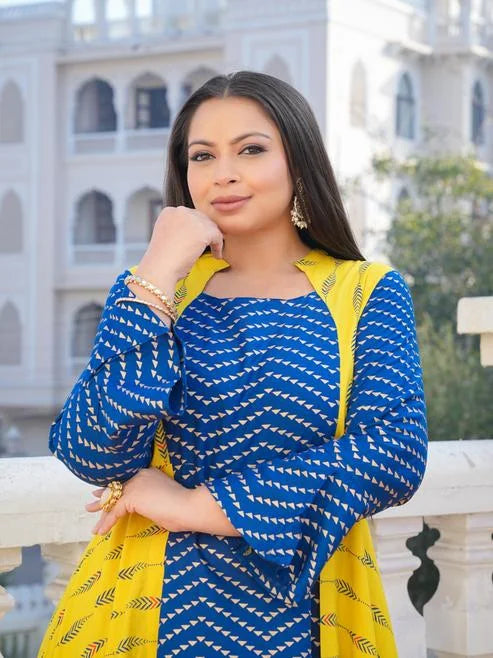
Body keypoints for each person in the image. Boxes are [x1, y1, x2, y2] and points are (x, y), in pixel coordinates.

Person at [38, 70, 427, 657]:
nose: (223, 173)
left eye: (250, 150)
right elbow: (92, 451)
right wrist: (157, 272)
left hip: (309, 615)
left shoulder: (365, 293)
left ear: (298, 160)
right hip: (144, 611)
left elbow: (393, 452)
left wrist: (198, 506)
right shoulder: (153, 291)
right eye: (202, 156)